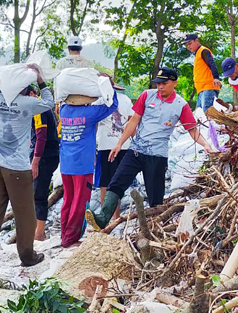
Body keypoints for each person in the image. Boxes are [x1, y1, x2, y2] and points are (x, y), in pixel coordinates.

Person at [86, 67, 216, 230]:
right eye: (158, 84)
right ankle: (102, 218)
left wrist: (206, 145)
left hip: (157, 157)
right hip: (135, 151)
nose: (160, 87)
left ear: (174, 83)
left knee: (155, 197)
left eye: (164, 83)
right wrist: (119, 144)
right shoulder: (147, 96)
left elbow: (193, 130)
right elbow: (133, 121)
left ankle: (156, 228)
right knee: (116, 182)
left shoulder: (180, 105)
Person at [0, 68, 54, 281]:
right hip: (17, 169)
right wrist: (40, 80)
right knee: (26, 216)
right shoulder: (27, 104)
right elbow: (48, 102)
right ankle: (27, 256)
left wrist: (2, 75)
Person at [59, 89, 118, 247]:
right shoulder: (89, 112)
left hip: (65, 163)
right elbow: (112, 106)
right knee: (80, 202)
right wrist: (109, 87)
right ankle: (71, 238)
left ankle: (64, 234)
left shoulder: (63, 110)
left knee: (68, 200)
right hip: (82, 165)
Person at [95, 84, 134, 219]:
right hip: (123, 146)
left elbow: (93, 125)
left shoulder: (99, 101)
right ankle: (115, 217)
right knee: (116, 182)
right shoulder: (126, 100)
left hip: (106, 146)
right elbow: (131, 123)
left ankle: (105, 217)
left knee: (105, 183)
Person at [31, 102, 59, 241]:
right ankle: (36, 230)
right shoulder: (42, 107)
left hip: (45, 157)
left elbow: (41, 136)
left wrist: (35, 160)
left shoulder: (38, 109)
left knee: (39, 194)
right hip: (47, 155)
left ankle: (39, 233)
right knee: (36, 193)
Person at [184, 33, 221, 112]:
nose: (189, 46)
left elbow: (212, 64)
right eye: (187, 45)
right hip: (201, 89)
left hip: (208, 87)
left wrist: (216, 78)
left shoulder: (203, 51)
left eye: (190, 43)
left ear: (196, 41)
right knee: (199, 114)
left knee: (207, 114)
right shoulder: (197, 54)